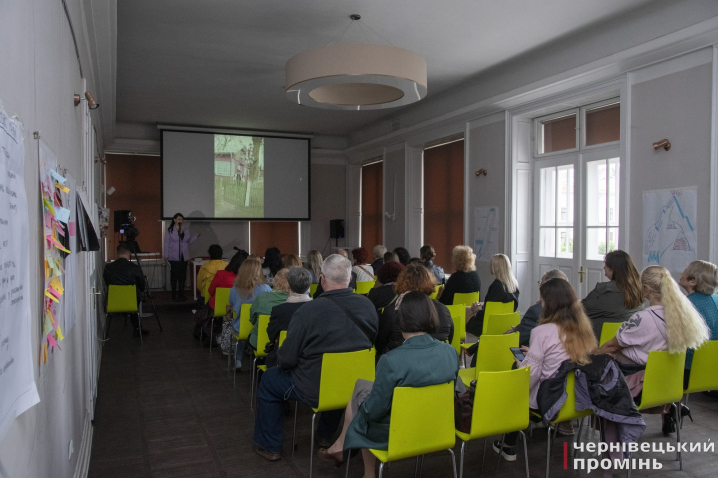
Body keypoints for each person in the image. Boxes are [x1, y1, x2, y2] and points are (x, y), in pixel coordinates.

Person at [252, 254, 378, 461]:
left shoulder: (308, 311)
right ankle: (325, 436)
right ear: (349, 278)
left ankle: (269, 445)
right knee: (338, 374)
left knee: (268, 380)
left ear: (322, 278)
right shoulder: (368, 306)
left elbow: (287, 358)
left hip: (313, 385)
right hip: (354, 384)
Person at [318, 292, 458, 475]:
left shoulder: (391, 360)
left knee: (363, 409)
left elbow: (373, 411)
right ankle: (344, 450)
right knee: (363, 391)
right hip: (437, 427)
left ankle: (363, 467)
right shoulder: (450, 352)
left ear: (400, 320)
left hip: (398, 432)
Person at [598, 265, 710, 435]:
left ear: (646, 289)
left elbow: (611, 346)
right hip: (667, 387)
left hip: (633, 386)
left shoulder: (642, 318)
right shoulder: (683, 316)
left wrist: (590, 357)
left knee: (590, 375)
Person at [495, 278, 597, 461]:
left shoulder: (542, 332)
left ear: (549, 303)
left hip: (550, 398)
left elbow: (530, 376)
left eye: (542, 299)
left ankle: (508, 445)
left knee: (516, 380)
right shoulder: (584, 329)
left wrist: (522, 363)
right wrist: (534, 355)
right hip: (578, 398)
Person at [375, 263, 454, 356]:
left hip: (400, 363)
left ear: (401, 284)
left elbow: (380, 344)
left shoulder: (391, 311)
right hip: (437, 361)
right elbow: (449, 337)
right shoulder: (443, 309)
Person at [582, 250, 644, 339]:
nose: (604, 268)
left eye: (606, 265)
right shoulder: (638, 290)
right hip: (628, 344)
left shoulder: (603, 292)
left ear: (613, 269)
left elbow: (579, 311)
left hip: (601, 345)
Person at [679, 260, 718, 387]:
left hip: (688, 370)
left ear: (693, 281)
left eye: (685, 272)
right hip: (712, 368)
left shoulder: (683, 305)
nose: (681, 273)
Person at [264, 267, 313, 368]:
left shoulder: (279, 310)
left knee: (266, 378)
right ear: (308, 285)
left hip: (283, 360)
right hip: (310, 360)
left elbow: (271, 336)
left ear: (289, 284)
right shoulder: (317, 308)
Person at [229, 258, 271, 369]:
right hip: (259, 329)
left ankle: (238, 360)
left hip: (241, 328)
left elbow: (231, 302)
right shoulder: (266, 288)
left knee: (240, 336)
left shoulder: (235, 289)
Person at [507, 269, 567, 347]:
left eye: (541, 284)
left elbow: (518, 338)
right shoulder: (574, 310)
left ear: (547, 288)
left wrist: (514, 331)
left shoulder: (536, 311)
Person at [466, 254, 520, 336]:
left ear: (496, 267)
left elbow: (487, 314)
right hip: (504, 323)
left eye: (491, 264)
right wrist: (482, 304)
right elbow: (498, 304)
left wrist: (477, 310)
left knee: (466, 318)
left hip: (489, 325)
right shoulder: (514, 285)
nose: (489, 266)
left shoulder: (496, 286)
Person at [103, 244, 149, 337]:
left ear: (117, 254)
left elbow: (107, 282)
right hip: (131, 302)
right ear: (129, 254)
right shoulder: (134, 267)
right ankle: (137, 328)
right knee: (136, 296)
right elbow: (142, 285)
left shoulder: (108, 268)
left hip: (113, 302)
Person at [248, 269, 291, 353]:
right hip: (285, 346)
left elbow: (252, 319)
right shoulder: (296, 303)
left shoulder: (262, 297)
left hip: (258, 341)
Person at [163, 213, 200, 301]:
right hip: (173, 256)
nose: (181, 221)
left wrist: (196, 237)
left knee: (182, 276)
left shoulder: (185, 230)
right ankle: (174, 295)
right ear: (174, 220)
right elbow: (166, 243)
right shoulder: (170, 230)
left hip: (184, 256)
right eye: (179, 219)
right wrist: (166, 255)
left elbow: (189, 242)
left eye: (182, 219)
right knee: (174, 276)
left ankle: (181, 294)